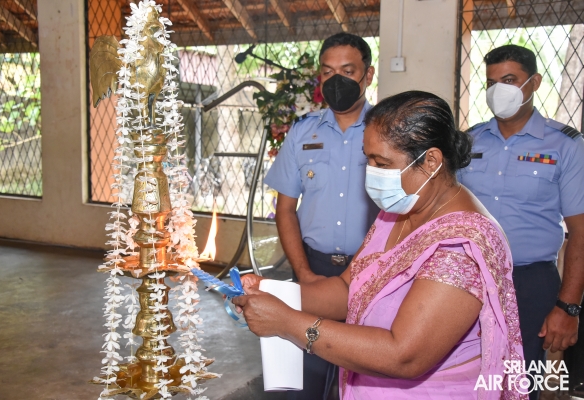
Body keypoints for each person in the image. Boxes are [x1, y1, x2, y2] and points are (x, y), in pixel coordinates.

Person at [235, 91, 527, 399]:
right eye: (368, 160)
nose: (371, 173)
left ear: (431, 161)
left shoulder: (460, 245)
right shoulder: (398, 210)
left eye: (382, 163)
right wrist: (271, 291)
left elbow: (403, 355)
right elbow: (347, 290)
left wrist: (288, 323)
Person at [458, 44, 584, 400]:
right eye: (492, 82)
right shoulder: (468, 141)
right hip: (469, 278)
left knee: (519, 382)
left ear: (534, 83)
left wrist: (568, 307)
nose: (499, 90)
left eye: (510, 80)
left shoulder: (566, 146)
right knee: (463, 378)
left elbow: (580, 233)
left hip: (529, 283)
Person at [263, 32, 379, 400]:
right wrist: (304, 275)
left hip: (372, 272)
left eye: (348, 71)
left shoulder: (388, 132)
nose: (336, 80)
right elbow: (285, 210)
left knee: (366, 381)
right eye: (328, 72)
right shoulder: (302, 132)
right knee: (305, 381)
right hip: (313, 268)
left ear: (368, 74)